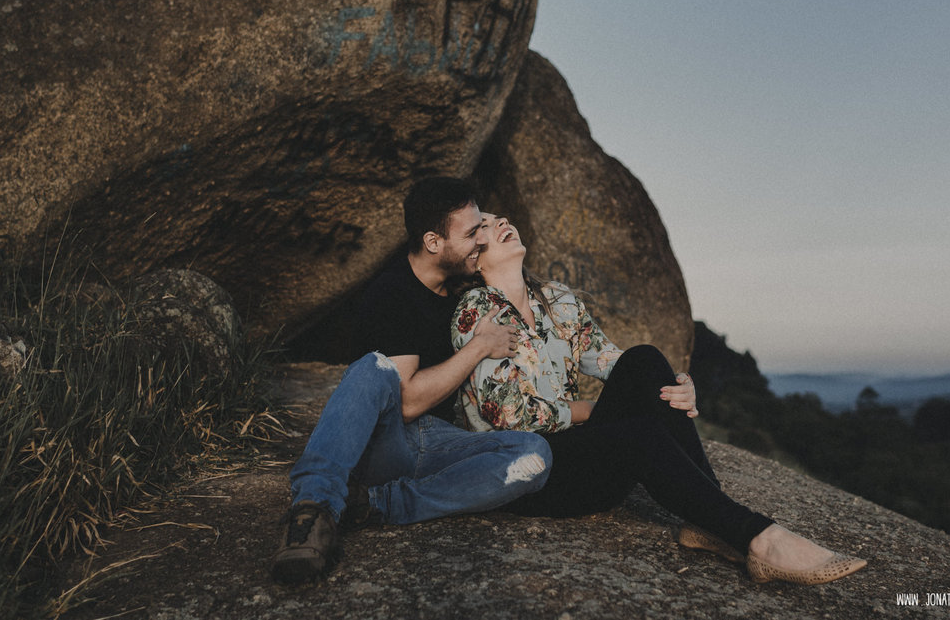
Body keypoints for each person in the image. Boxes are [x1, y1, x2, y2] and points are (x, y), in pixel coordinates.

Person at [451, 213, 867, 586]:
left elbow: (616, 363)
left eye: (497, 216)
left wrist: (674, 386)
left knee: (645, 358)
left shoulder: (558, 301)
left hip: (580, 460)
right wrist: (589, 411)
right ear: (475, 259)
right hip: (527, 473)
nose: (501, 219)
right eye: (484, 225)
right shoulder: (477, 312)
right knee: (638, 434)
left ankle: (709, 519)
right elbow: (509, 418)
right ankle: (759, 538)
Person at [271, 179, 552, 584]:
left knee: (534, 454)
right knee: (373, 367)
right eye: (471, 233)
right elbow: (407, 403)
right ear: (434, 242)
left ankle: (377, 505)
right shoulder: (393, 293)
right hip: (388, 442)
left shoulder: (464, 289)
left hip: (438, 442)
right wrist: (479, 346)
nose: (481, 240)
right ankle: (313, 509)